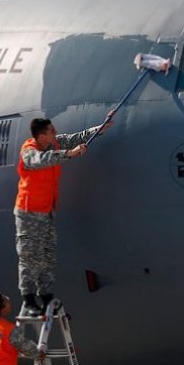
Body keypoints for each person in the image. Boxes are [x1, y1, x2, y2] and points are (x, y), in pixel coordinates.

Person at [14, 117, 111, 317]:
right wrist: (70, 154)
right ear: (41, 136)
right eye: (51, 131)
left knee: (48, 254)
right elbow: (42, 160)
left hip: (46, 211)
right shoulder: (29, 151)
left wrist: (100, 128)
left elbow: (76, 138)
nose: (55, 132)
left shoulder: (53, 143)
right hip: (28, 212)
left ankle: (46, 296)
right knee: (30, 255)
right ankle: (30, 299)